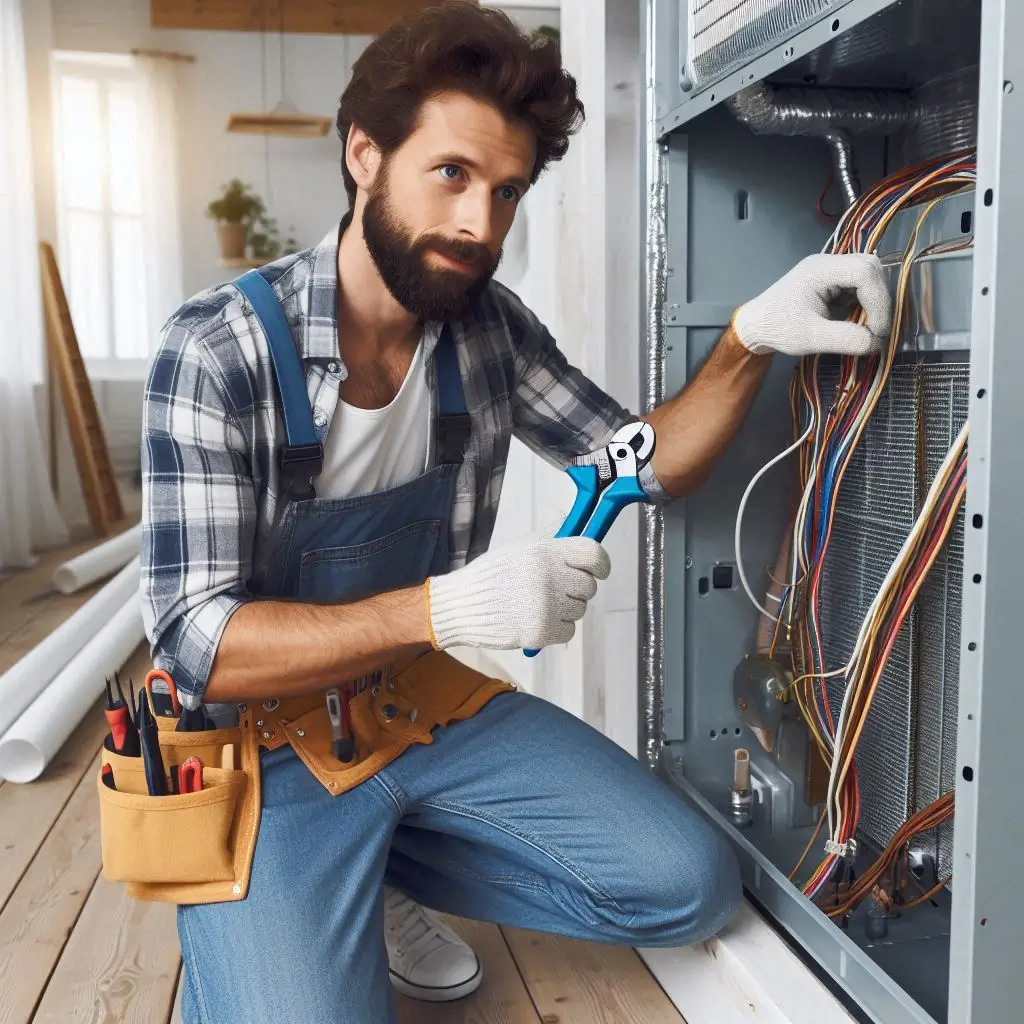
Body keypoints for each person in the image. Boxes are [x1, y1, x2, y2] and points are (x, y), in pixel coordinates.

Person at [140, 3, 892, 1022]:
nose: (478, 226)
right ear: (365, 153)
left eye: (506, 191)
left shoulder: (482, 328)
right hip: (262, 752)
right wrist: (448, 610)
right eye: (450, 174)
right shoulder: (218, 350)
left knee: (686, 881)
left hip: (416, 706)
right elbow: (197, 644)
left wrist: (751, 340)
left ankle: (381, 867)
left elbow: (634, 462)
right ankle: (323, 889)